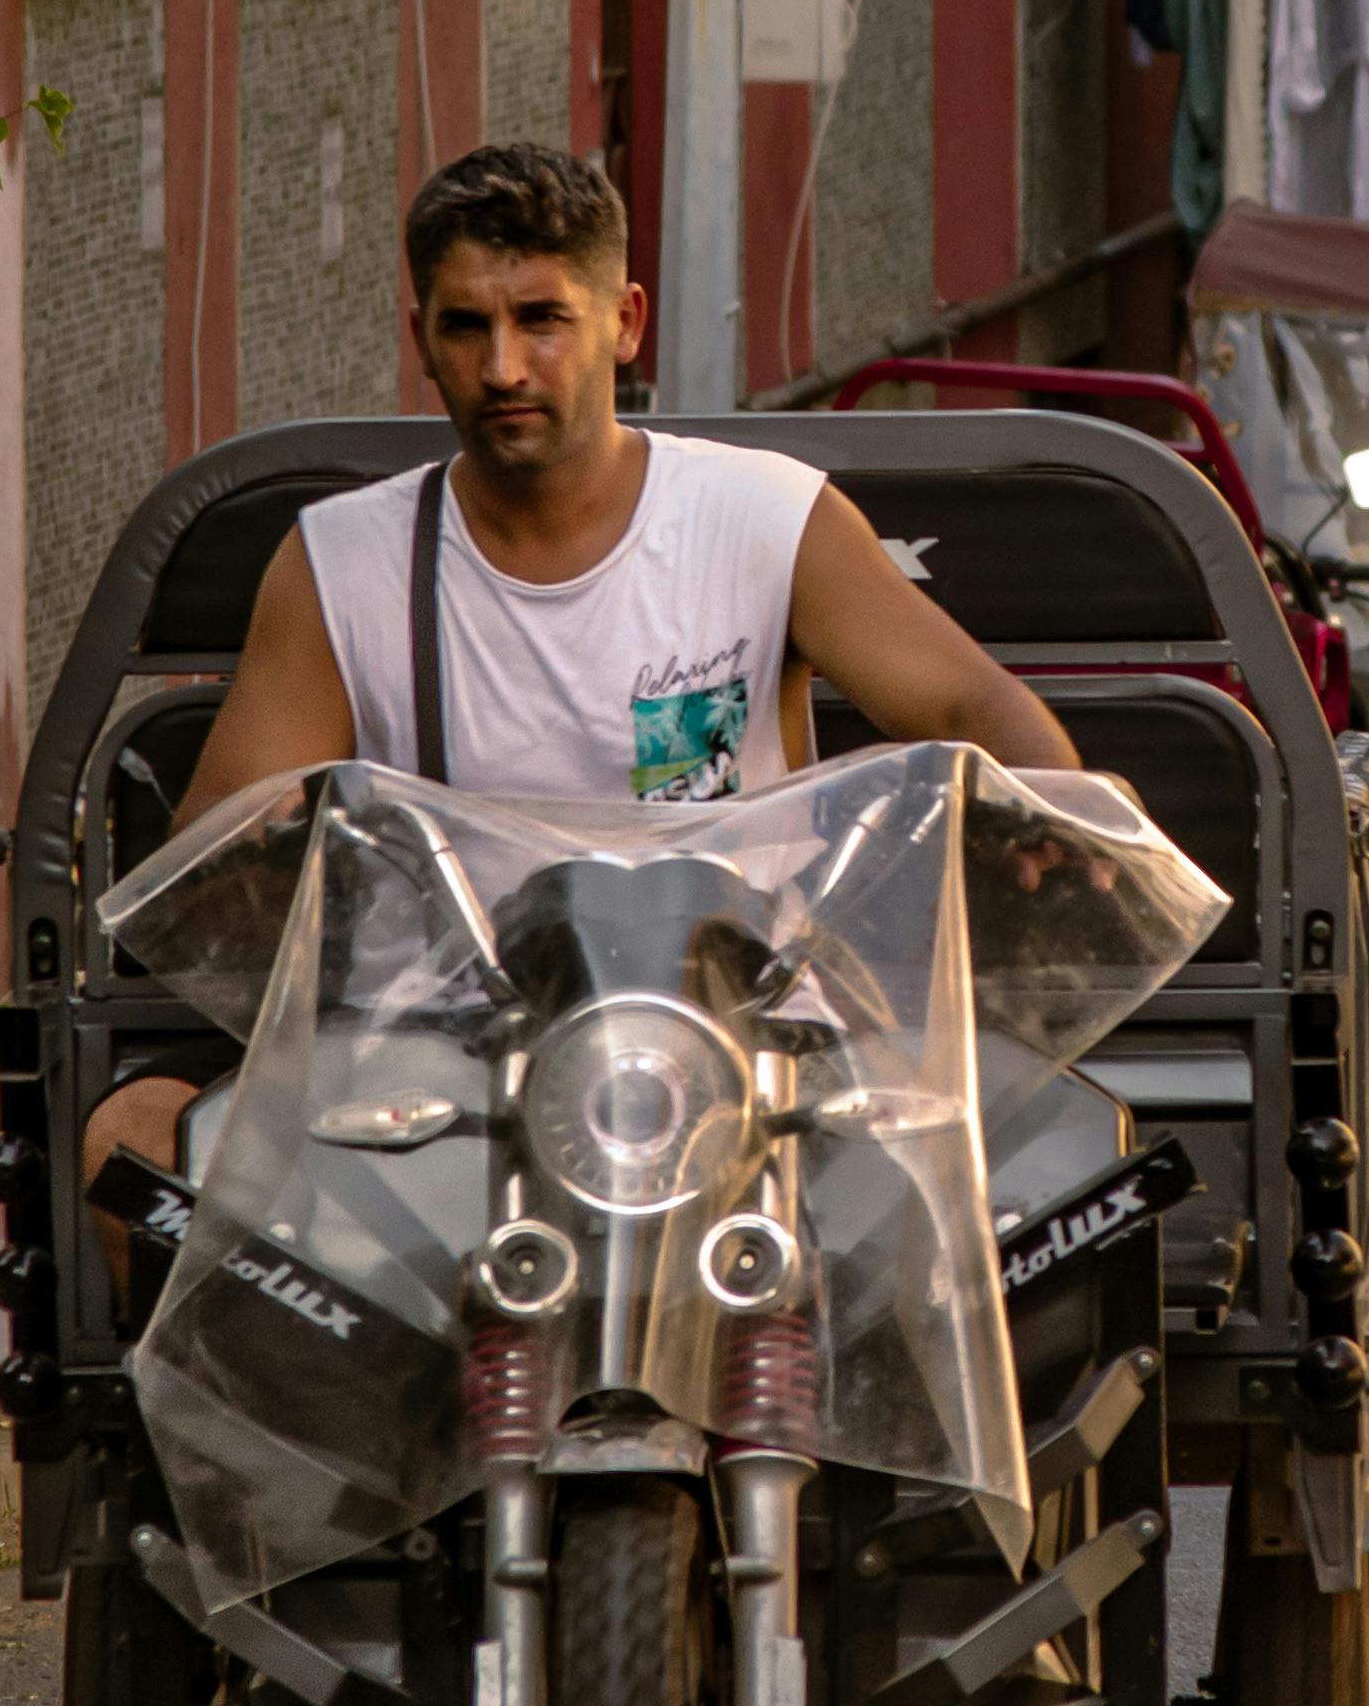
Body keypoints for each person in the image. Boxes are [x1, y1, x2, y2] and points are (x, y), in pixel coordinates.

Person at [84, 140, 1079, 1192]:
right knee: (136, 1138)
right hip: (436, 1078)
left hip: (744, 1057)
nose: (504, 367)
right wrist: (260, 852)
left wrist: (1051, 799)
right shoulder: (342, 560)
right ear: (420, 338)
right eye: (467, 326)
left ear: (626, 322)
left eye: (542, 319)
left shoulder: (763, 518)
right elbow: (216, 849)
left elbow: (971, 697)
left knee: (1029, 1172)